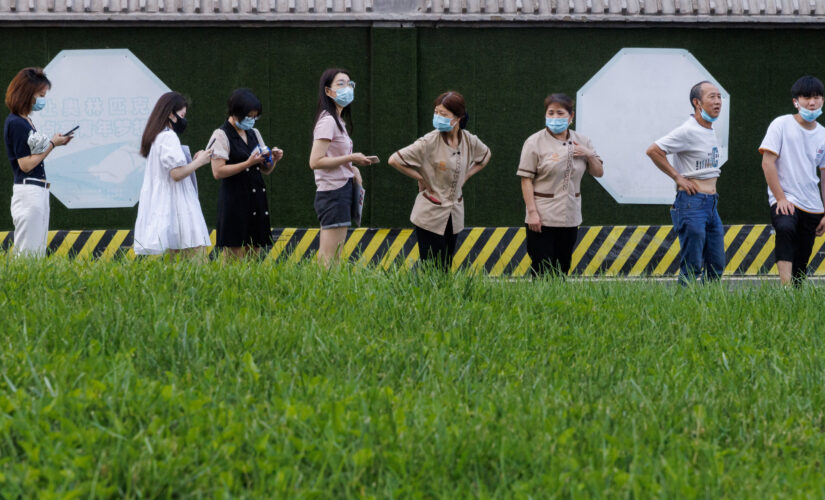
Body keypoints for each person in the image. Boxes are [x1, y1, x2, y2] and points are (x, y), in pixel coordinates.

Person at [388, 91, 491, 272]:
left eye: (443, 114)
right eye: (436, 112)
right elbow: (394, 160)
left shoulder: (468, 140)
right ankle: (426, 297)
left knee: (446, 264)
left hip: (454, 211)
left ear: (458, 118)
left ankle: (443, 298)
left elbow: (485, 156)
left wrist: (465, 175)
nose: (438, 117)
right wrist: (421, 177)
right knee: (431, 266)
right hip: (430, 212)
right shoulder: (429, 141)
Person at [646, 81, 725, 285]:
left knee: (716, 264)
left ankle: (711, 306)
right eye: (712, 97)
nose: (717, 102)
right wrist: (677, 177)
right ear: (697, 102)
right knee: (692, 265)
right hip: (692, 203)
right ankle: (685, 306)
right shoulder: (687, 130)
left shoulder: (710, 129)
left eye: (719, 97)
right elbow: (654, 150)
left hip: (711, 204)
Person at [517, 93, 603, 277]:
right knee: (542, 266)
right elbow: (526, 179)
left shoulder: (583, 140)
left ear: (571, 117)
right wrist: (532, 213)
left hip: (570, 214)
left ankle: (559, 304)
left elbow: (598, 172)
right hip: (542, 216)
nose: (555, 118)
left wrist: (588, 153)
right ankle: (539, 304)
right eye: (551, 113)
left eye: (560, 113)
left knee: (563, 265)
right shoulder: (534, 142)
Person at [759, 76, 825, 286]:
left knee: (803, 254)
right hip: (785, 197)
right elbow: (767, 163)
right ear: (796, 101)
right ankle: (785, 289)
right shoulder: (781, 124)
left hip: (813, 204)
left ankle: (795, 294)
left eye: (816, 97)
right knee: (785, 228)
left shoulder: (823, 134)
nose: (812, 103)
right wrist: (780, 199)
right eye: (806, 97)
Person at [309, 68, 378, 266]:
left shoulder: (338, 121)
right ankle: (324, 295)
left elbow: (333, 157)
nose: (347, 88)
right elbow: (315, 161)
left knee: (334, 255)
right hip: (333, 192)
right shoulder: (328, 121)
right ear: (328, 91)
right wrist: (350, 157)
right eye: (340, 84)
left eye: (349, 83)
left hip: (340, 189)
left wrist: (352, 166)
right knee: (330, 257)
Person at [133, 92, 213, 258]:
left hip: (165, 207)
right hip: (179, 206)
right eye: (182, 115)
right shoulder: (168, 137)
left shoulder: (157, 137)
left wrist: (193, 161)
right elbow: (176, 174)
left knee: (171, 262)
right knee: (196, 257)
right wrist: (201, 161)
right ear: (171, 113)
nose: (183, 119)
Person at [3, 67, 73, 256]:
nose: (42, 100)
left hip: (37, 190)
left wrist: (55, 143)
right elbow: (25, 165)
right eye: (40, 95)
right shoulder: (17, 123)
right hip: (29, 191)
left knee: (36, 250)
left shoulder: (25, 121)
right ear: (27, 94)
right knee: (28, 252)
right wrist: (52, 144)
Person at [208, 88, 283, 258]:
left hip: (256, 199)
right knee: (234, 255)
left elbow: (265, 169)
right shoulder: (221, 134)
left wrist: (273, 159)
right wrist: (248, 163)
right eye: (248, 116)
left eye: (255, 117)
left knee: (255, 253)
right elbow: (218, 171)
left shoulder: (254, 133)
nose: (251, 120)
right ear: (235, 112)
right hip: (234, 201)